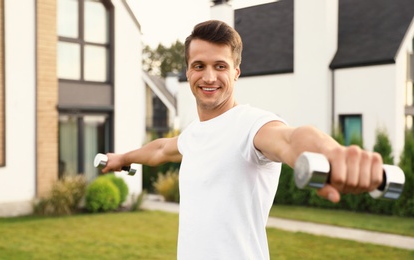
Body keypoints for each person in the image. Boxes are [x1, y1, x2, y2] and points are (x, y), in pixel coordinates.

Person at [101, 20, 383, 259]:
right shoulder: (195, 134)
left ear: (236, 72)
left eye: (220, 66)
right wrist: (122, 159)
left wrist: (331, 153)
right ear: (187, 72)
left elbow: (289, 139)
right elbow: (161, 149)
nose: (209, 76)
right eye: (199, 65)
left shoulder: (252, 125)